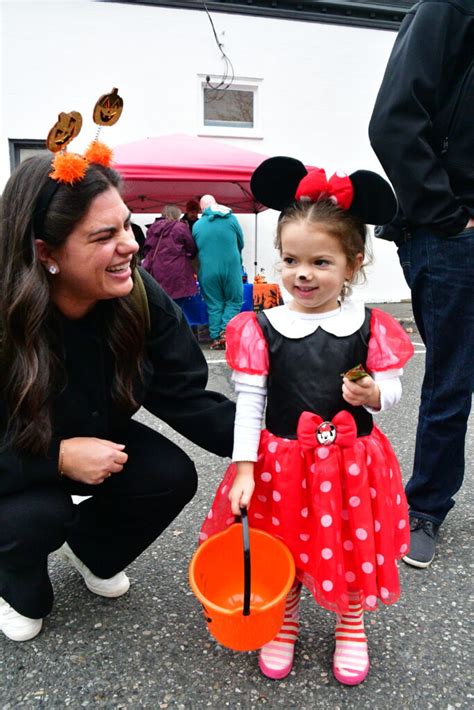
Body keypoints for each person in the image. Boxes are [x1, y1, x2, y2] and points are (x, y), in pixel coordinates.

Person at [0, 154, 235, 643]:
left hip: (88, 433)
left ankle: (92, 551)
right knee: (38, 517)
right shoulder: (7, 315)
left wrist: (276, 443)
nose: (131, 244)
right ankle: (15, 580)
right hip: (15, 454)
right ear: (47, 252)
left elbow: (186, 395)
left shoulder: (137, 295)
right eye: (104, 236)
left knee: (169, 476)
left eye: (126, 225)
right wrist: (56, 458)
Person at [199, 157, 414, 685]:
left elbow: (394, 387)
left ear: (353, 262)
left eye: (321, 262)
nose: (302, 273)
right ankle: (284, 616)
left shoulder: (369, 324)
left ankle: (350, 620)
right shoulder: (261, 326)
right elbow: (250, 403)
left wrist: (374, 392)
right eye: (291, 259)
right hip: (281, 461)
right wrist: (244, 468)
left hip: (351, 459)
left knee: (351, 537)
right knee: (281, 540)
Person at [369, 0, 474, 568]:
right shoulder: (451, 9)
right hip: (455, 230)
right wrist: (447, 215)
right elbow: (394, 119)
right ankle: (427, 505)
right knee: (454, 376)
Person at [192, 194, 244, 350]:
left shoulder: (197, 225)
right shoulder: (232, 219)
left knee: (214, 304)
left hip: (207, 270)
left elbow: (195, 249)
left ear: (202, 209)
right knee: (234, 300)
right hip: (231, 267)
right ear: (216, 204)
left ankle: (216, 337)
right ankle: (224, 333)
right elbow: (241, 243)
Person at [142, 204, 198, 308]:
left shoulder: (153, 228)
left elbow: (146, 249)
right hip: (178, 271)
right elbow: (191, 248)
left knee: (161, 303)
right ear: (177, 214)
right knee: (178, 306)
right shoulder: (180, 227)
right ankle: (176, 323)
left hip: (157, 270)